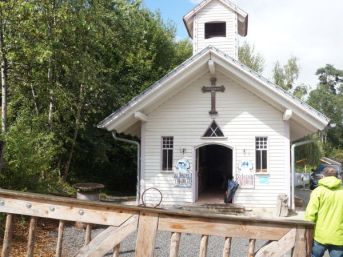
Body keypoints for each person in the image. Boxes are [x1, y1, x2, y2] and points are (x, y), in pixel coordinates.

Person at [305, 166, 343, 257]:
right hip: (339, 237)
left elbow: (309, 215)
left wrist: (307, 232)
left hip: (319, 236)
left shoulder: (317, 191)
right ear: (337, 177)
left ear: (323, 176)